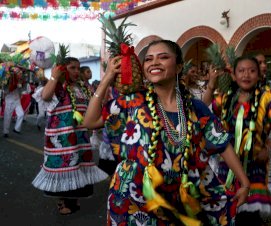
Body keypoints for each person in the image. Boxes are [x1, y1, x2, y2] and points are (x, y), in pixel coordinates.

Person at [83, 40, 250, 225]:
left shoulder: (195, 107)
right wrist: (106, 80)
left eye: (163, 57)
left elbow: (221, 143)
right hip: (134, 197)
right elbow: (90, 121)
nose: (154, 62)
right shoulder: (131, 102)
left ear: (179, 67)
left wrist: (244, 182)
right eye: (148, 59)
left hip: (181, 197)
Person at [203, 56, 271, 225]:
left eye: (252, 70)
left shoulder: (266, 97)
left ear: (259, 75)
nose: (246, 75)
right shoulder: (226, 98)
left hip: (254, 166)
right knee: (227, 213)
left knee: (249, 215)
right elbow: (203, 109)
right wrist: (211, 84)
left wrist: (268, 149)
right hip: (228, 166)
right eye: (241, 70)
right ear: (233, 75)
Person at [32, 57, 108, 215]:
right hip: (61, 138)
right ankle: (61, 201)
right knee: (62, 166)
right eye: (72, 68)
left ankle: (73, 198)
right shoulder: (58, 86)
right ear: (62, 69)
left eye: (78, 68)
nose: (76, 71)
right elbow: (45, 96)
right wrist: (54, 76)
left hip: (79, 136)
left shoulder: (83, 87)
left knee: (78, 166)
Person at [3, 66, 25, 138]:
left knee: (21, 114)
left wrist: (20, 84)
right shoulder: (6, 79)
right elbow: (6, 90)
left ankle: (16, 129)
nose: (20, 74)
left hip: (17, 99)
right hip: (10, 100)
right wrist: (14, 85)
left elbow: (21, 88)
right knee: (7, 117)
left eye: (20, 72)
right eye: (18, 72)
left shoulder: (19, 79)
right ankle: (5, 132)